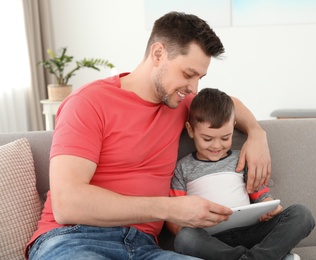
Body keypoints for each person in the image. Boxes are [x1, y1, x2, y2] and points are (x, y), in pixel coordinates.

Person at [26, 12, 273, 260]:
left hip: (144, 248)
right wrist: (169, 208)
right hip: (73, 240)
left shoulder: (179, 102)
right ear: (158, 54)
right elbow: (67, 203)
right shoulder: (88, 103)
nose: (194, 88)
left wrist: (256, 133)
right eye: (188, 74)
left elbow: (230, 104)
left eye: (200, 78)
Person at [167, 88, 315, 260]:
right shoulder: (182, 168)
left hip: (251, 233)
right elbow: (174, 218)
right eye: (207, 139)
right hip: (212, 240)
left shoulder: (242, 159)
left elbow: (261, 195)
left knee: (302, 214)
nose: (216, 146)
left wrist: (270, 208)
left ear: (233, 128)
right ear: (191, 130)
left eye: (225, 138)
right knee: (185, 238)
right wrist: (189, 224)